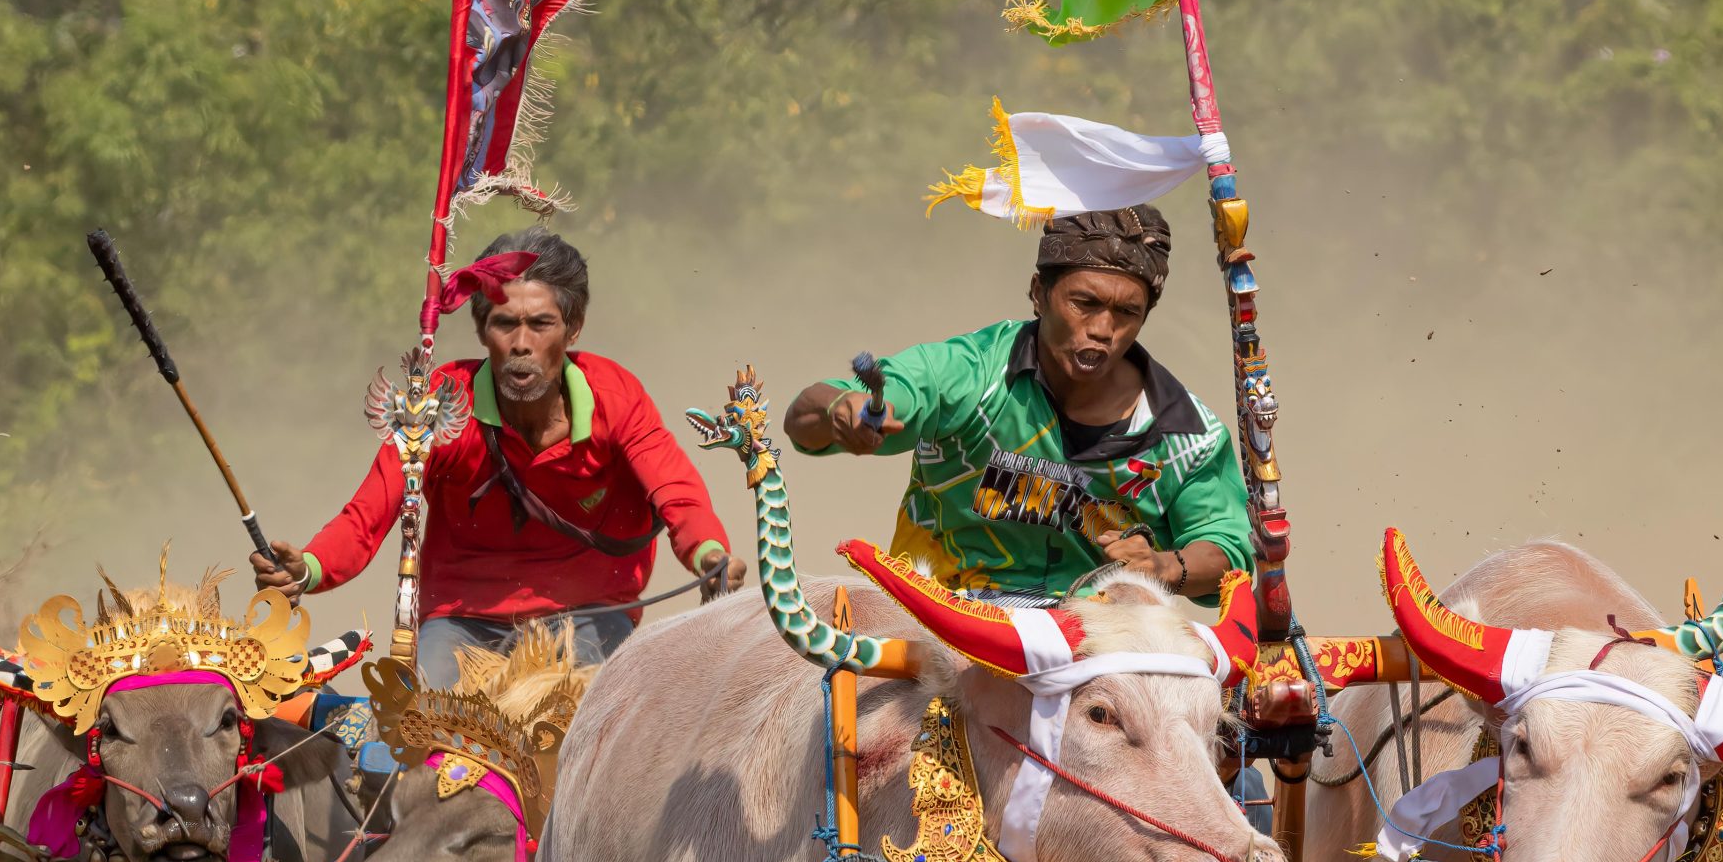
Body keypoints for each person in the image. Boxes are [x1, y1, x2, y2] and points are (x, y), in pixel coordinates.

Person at [250, 228, 744, 684]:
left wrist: (710, 555)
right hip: (461, 625)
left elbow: (678, 495)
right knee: (413, 737)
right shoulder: (440, 405)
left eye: (541, 324)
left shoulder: (617, 397)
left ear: (573, 329)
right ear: (483, 331)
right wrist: (308, 568)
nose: (521, 344)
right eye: (505, 324)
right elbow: (366, 517)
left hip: (592, 618)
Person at [782, 204, 1252, 602]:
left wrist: (1166, 567)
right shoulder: (970, 373)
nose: (1103, 330)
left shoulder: (1188, 434)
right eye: (1084, 303)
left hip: (1098, 643)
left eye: (1126, 312)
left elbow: (1229, 551)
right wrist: (840, 411)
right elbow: (808, 414)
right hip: (940, 614)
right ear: (1038, 295)